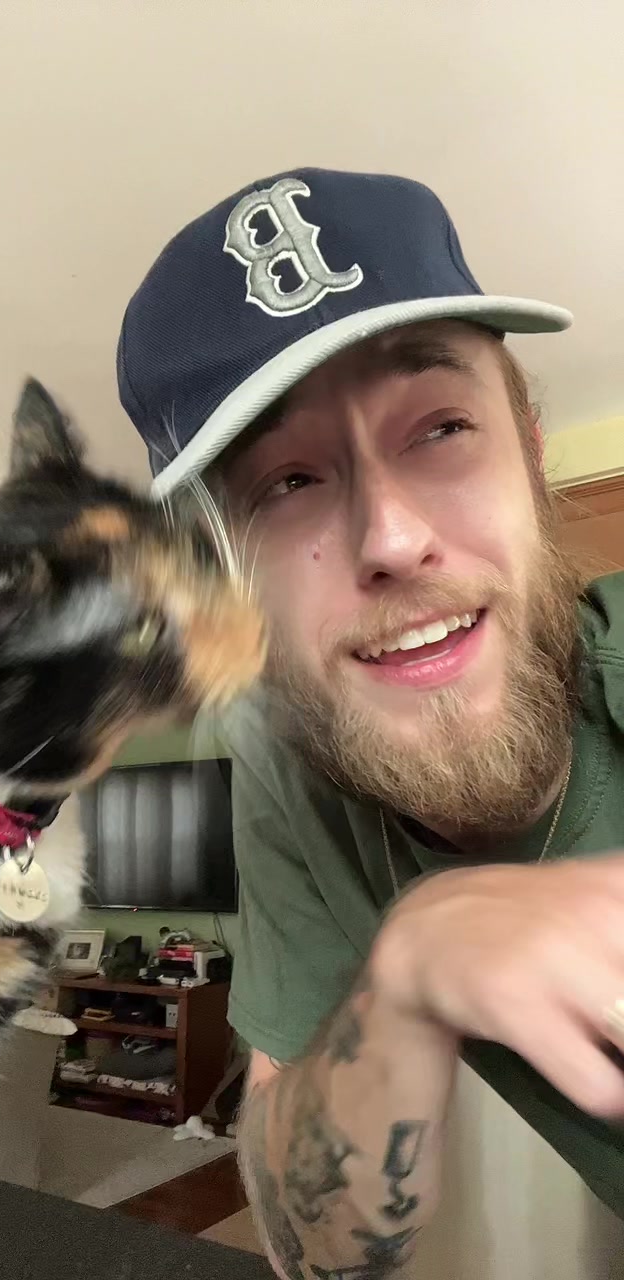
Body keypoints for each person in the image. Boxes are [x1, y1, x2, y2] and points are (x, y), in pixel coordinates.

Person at [117, 169, 624, 1278]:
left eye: (441, 426)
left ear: (531, 451)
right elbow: (306, 1243)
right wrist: (406, 977)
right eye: (286, 482)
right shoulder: (290, 785)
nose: (391, 537)